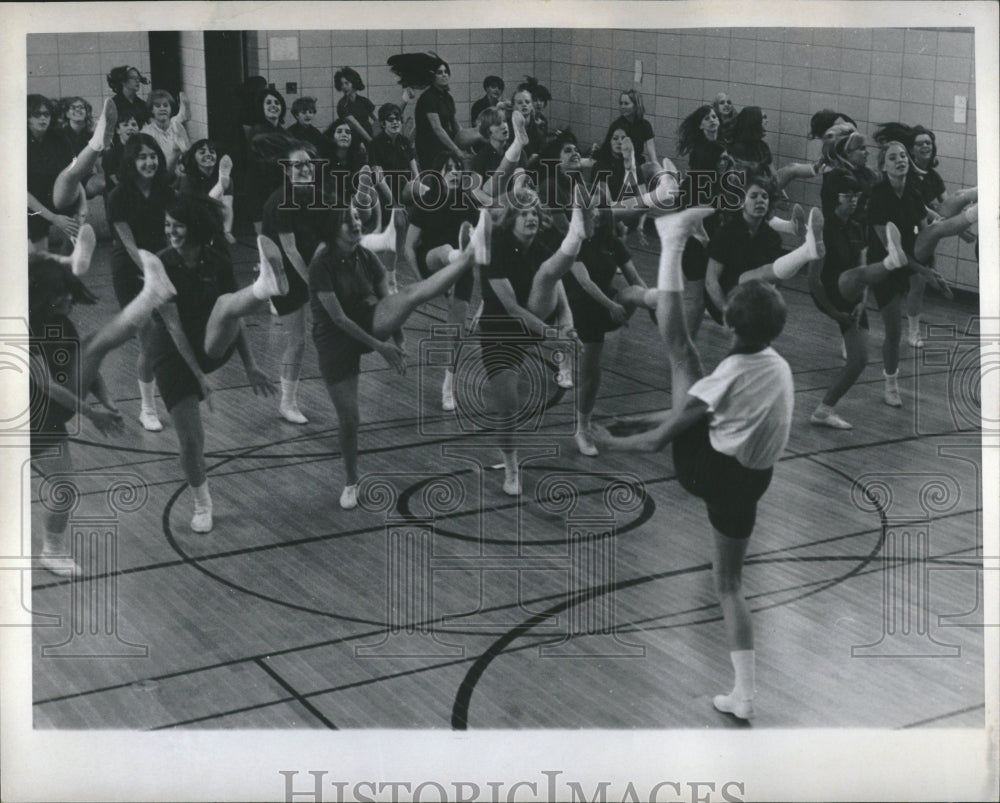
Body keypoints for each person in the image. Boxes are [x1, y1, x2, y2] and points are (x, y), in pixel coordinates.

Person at [593, 212, 795, 721]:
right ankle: (744, 696)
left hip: (708, 472)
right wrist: (634, 416)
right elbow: (694, 411)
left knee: (681, 351)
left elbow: (663, 440)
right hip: (750, 483)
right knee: (729, 586)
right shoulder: (778, 366)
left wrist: (607, 441)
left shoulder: (730, 370)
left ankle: (671, 241)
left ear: (727, 322)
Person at [309, 203, 491, 509]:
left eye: (356, 217)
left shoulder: (366, 257)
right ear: (332, 229)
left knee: (412, 294)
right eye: (346, 221)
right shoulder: (321, 264)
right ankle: (351, 481)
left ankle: (470, 256)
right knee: (350, 419)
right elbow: (339, 320)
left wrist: (399, 338)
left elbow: (389, 300)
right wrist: (381, 348)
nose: (355, 223)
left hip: (367, 319)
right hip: (334, 340)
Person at [29, 248, 176, 576]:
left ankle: (150, 296)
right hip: (33, 419)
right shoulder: (28, 331)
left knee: (94, 344)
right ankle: (52, 552)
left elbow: (88, 369)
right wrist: (92, 415)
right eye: (62, 294)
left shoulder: (62, 323)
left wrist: (107, 401)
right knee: (65, 487)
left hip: (53, 412)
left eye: (70, 291)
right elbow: (47, 386)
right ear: (46, 298)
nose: (70, 298)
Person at [149, 193, 288, 532]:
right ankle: (202, 505)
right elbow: (173, 326)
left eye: (177, 226)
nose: (171, 232)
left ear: (194, 228)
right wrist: (198, 376)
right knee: (192, 440)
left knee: (227, 302)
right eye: (167, 225)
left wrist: (251, 365)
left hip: (211, 342)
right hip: (172, 354)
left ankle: (263, 287)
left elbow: (234, 317)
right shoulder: (160, 264)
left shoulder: (217, 260)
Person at [106, 133, 176, 431]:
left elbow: (176, 232)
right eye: (142, 156)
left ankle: (176, 395)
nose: (149, 162)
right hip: (130, 269)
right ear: (131, 162)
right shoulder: (118, 196)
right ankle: (147, 408)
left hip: (162, 263)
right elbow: (128, 241)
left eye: (153, 156)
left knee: (171, 334)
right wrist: (149, 272)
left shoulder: (168, 193)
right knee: (148, 338)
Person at [261, 141, 328, 424]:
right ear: (287, 171)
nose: (304, 169)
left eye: (307, 164)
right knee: (298, 341)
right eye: (297, 165)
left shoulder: (317, 195)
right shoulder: (280, 201)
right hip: (284, 276)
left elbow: (326, 235)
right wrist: (315, 285)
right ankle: (287, 403)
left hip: (308, 268)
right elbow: (289, 250)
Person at [704, 173, 823, 326]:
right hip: (725, 300)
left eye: (764, 197)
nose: (760, 200)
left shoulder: (772, 237)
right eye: (753, 196)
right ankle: (806, 251)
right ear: (742, 202)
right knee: (749, 277)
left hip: (753, 298)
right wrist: (727, 312)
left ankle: (806, 251)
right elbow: (710, 281)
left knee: (765, 276)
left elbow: (776, 277)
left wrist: (769, 308)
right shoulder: (726, 233)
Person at [27, 95, 76, 250]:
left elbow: (73, 174)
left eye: (46, 114)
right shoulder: (17, 140)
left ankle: (65, 263)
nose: (43, 119)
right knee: (39, 255)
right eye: (37, 114)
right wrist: (54, 218)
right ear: (27, 118)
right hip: (28, 202)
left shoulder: (57, 137)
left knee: (77, 223)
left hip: (53, 194)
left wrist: (82, 209)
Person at [245, 87, 289, 234]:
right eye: (268, 102)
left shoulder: (284, 132)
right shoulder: (257, 131)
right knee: (265, 238)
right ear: (261, 108)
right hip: (260, 190)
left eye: (277, 102)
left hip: (278, 189)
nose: (273, 105)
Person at [178, 139, 236, 243]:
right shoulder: (187, 178)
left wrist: (227, 231)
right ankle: (220, 186)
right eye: (202, 152)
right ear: (194, 158)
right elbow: (197, 208)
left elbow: (228, 207)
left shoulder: (228, 180)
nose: (208, 154)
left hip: (214, 220)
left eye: (212, 152)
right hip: (191, 220)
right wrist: (221, 186)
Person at [142, 89, 191, 180]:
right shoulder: (146, 132)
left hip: (180, 173)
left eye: (165, 105)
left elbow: (188, 153)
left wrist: (182, 165)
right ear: (152, 110)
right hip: (158, 175)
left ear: (170, 108)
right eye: (157, 106)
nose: (162, 108)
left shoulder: (178, 126)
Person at [335, 67, 378, 146]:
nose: (343, 87)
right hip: (353, 141)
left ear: (354, 83)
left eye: (346, 83)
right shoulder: (342, 104)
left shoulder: (364, 101)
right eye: (341, 84)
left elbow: (378, 120)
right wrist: (371, 141)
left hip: (370, 136)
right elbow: (356, 125)